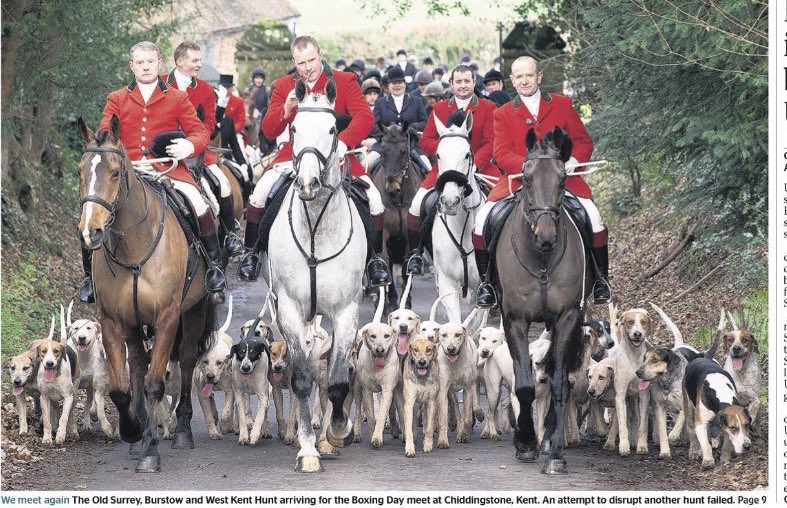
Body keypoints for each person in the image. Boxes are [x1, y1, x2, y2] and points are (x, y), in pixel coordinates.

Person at [237, 35, 390, 288]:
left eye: (311, 60)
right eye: (301, 63)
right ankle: (251, 254)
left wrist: (344, 142)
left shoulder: (344, 80)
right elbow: (269, 130)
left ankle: (374, 260)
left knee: (374, 199)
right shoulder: (283, 85)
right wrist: (286, 110)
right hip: (295, 156)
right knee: (260, 193)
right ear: (294, 62)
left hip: (337, 155)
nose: (307, 68)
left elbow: (364, 117)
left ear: (320, 55)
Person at [87, 41, 226, 298]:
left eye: (150, 62)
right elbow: (105, 131)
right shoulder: (116, 98)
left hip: (166, 169)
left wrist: (188, 145)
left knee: (198, 203)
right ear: (131, 66)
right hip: (126, 171)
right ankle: (90, 277)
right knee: (92, 209)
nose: (145, 67)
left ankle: (214, 267)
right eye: (140, 62)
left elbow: (199, 132)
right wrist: (103, 142)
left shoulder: (177, 97)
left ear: (159, 63)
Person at [472, 55, 609, 307]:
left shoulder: (562, 104)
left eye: (529, 75)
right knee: (481, 220)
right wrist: (529, 167)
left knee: (594, 216)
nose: (524, 81)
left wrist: (572, 161)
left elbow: (583, 141)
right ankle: (487, 284)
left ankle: (601, 280)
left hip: (561, 180)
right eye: (519, 77)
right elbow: (501, 153)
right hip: (518, 180)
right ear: (512, 80)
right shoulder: (502, 113)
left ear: (539, 77)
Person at [405, 64, 498, 284]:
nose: (463, 85)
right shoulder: (439, 109)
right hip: (445, 169)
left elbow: (491, 142)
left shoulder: (488, 107)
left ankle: (497, 256)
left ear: (474, 83)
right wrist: (448, 149)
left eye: (467, 81)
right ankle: (417, 254)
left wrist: (474, 163)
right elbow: (425, 140)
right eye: (459, 82)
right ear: (451, 84)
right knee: (415, 206)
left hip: (480, 168)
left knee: (502, 206)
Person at [162, 42, 244, 258]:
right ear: (180, 61)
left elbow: (209, 124)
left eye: (199, 60)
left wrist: (192, 142)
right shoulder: (160, 83)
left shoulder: (206, 90)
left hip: (197, 151)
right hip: (163, 151)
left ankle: (230, 234)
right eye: (195, 60)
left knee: (223, 184)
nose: (199, 64)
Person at [365, 66, 429, 172]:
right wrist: (387, 132)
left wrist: (410, 128)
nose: (397, 85)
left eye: (400, 82)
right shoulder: (380, 102)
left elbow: (424, 122)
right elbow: (374, 124)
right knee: (366, 164)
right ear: (389, 85)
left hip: (410, 144)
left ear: (405, 84)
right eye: (394, 83)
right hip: (384, 144)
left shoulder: (416, 101)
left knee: (428, 167)